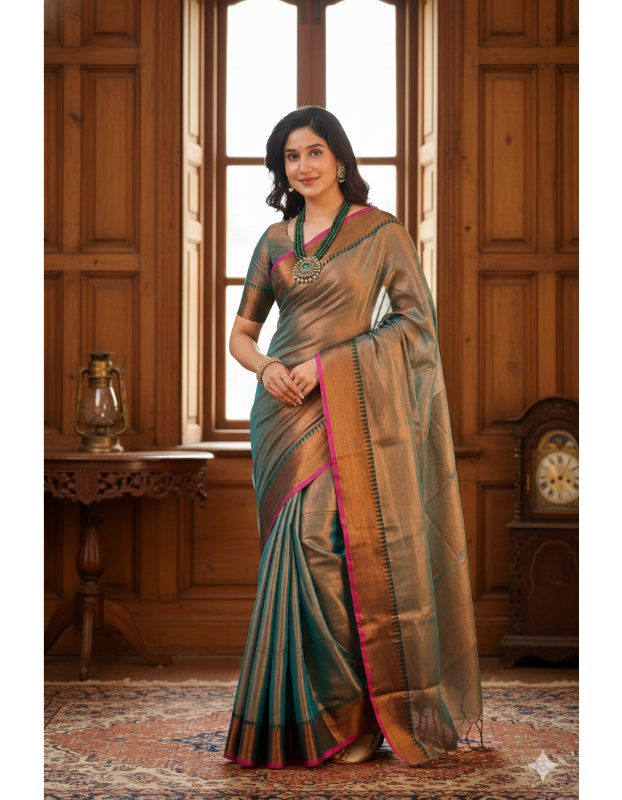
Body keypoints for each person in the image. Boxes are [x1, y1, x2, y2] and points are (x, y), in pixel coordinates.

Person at [224, 106, 482, 769]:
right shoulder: (275, 241)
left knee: (329, 547)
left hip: (347, 409)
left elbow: (415, 326)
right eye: (290, 156)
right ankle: (305, 720)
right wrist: (273, 368)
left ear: (340, 158)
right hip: (280, 416)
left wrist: (326, 368)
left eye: (314, 152)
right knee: (293, 555)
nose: (303, 166)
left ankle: (358, 718)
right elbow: (242, 337)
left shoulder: (381, 233)